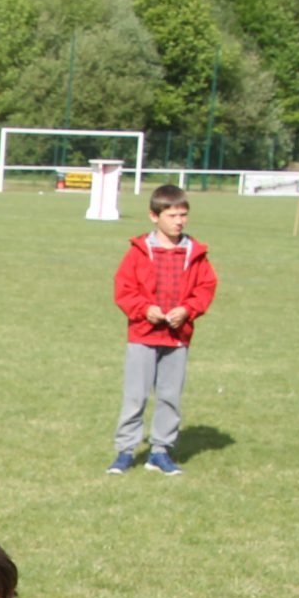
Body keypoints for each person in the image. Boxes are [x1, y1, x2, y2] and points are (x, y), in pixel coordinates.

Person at [108, 184, 217, 477]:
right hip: (142, 335)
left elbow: (205, 288)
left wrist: (188, 310)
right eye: (172, 215)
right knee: (135, 396)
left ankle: (160, 452)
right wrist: (145, 309)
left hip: (178, 337)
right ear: (154, 216)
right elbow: (124, 289)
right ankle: (126, 451)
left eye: (183, 215)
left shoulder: (195, 253)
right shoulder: (139, 251)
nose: (179, 221)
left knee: (170, 396)